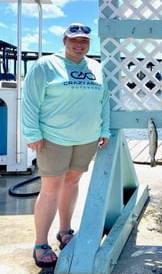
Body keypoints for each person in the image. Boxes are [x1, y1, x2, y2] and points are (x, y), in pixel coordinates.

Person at [21, 23, 111, 268]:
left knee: (72, 182)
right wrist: (31, 133)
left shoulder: (96, 67)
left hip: (86, 138)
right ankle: (40, 243)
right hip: (53, 138)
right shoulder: (45, 66)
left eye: (84, 41)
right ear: (64, 41)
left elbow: (104, 101)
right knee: (50, 189)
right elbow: (29, 102)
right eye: (74, 40)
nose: (79, 45)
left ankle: (65, 230)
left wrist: (104, 129)